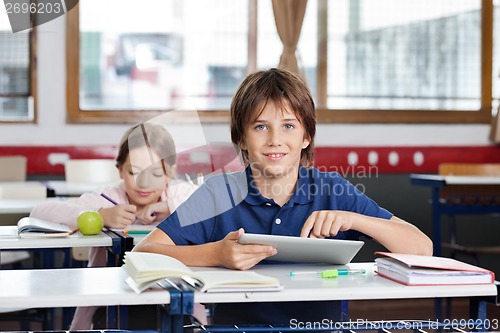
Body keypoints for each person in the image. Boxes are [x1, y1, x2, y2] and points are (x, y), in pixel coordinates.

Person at [132, 68, 433, 325]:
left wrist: (353, 219)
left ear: (306, 137)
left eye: (288, 126)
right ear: (242, 139)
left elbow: (422, 250)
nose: (275, 140)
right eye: (261, 126)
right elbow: (144, 252)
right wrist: (214, 255)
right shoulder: (218, 193)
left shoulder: (331, 190)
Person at [30, 122, 205, 329]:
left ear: (170, 173)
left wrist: (171, 206)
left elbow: (214, 205)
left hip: (172, 298)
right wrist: (99, 216)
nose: (144, 183)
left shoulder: (178, 195)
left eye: (156, 174)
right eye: (133, 172)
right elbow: (38, 213)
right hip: (111, 303)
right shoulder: (108, 198)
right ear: (120, 170)